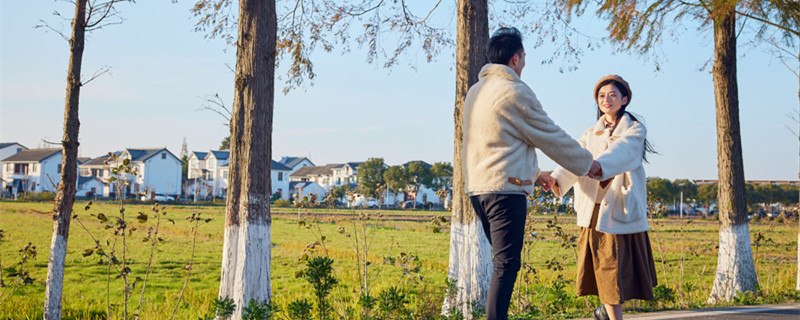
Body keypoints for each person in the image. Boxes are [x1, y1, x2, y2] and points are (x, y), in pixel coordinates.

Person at [462, 26, 600, 320]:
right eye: (524, 56)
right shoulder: (514, 90)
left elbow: (499, 140)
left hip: (479, 189)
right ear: (515, 58)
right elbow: (548, 134)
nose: (524, 62)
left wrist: (537, 174)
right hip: (505, 189)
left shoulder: (476, 91)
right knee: (507, 263)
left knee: (502, 262)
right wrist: (587, 163)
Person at [538, 75, 657, 320]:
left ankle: (609, 313)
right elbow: (576, 156)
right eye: (602, 96)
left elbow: (621, 153)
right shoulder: (591, 133)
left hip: (618, 208)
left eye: (613, 95)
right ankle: (607, 311)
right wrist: (556, 179)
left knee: (612, 269)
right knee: (603, 269)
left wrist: (596, 165)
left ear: (624, 100)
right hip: (591, 208)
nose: (607, 99)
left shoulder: (634, 130)